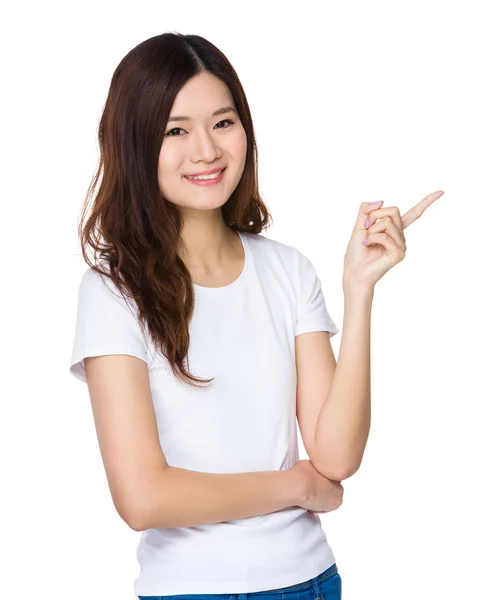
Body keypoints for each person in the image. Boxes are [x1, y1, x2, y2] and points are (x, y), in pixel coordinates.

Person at [69, 31, 347, 600]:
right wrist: (294, 486)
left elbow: (337, 457)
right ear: (134, 145)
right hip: (194, 590)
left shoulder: (288, 271)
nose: (206, 150)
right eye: (176, 130)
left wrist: (361, 290)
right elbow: (144, 499)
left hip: (312, 583)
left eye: (223, 123)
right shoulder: (113, 293)